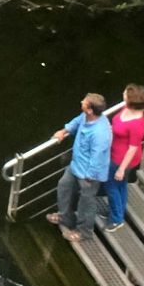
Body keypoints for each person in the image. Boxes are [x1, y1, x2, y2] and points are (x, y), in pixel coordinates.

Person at [36, 93, 116, 242]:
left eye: (84, 102)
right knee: (63, 186)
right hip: (76, 164)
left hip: (89, 173)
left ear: (90, 110)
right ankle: (66, 217)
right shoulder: (86, 116)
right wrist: (64, 131)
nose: (81, 102)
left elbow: (98, 157)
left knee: (86, 201)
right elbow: (77, 121)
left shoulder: (100, 133)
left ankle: (84, 232)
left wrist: (90, 176)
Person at [106, 85, 144, 229]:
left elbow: (133, 148)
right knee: (120, 185)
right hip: (115, 152)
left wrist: (122, 169)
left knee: (111, 186)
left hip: (122, 159)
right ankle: (118, 211)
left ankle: (117, 219)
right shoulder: (126, 109)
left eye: (125, 95)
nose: (123, 95)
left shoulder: (137, 124)